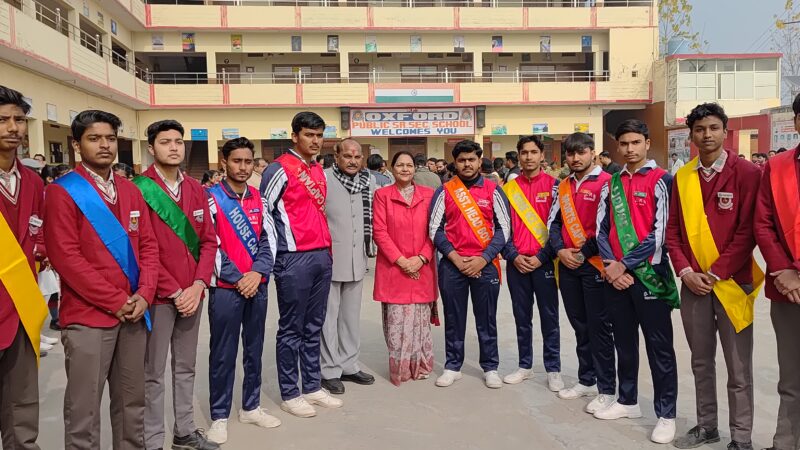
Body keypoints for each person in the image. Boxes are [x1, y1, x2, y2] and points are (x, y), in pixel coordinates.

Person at [44, 109, 159, 449]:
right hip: (89, 317)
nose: (104, 145)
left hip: (135, 313)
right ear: (77, 145)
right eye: (94, 138)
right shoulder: (62, 192)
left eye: (110, 138)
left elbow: (149, 247)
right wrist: (116, 301)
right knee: (84, 411)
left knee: (132, 405)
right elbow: (66, 258)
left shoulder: (130, 190)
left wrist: (145, 293)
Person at [667, 104, 761, 450]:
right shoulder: (683, 177)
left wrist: (715, 272)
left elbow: (749, 232)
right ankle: (707, 426)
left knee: (738, 367)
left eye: (713, 128)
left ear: (725, 131)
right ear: (691, 135)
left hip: (734, 283)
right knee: (701, 361)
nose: (706, 134)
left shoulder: (748, 173)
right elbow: (673, 232)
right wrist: (686, 272)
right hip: (694, 286)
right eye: (699, 129)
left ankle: (741, 438)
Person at [136, 120, 220, 450]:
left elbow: (209, 241)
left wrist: (198, 285)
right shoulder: (139, 190)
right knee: (153, 371)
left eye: (178, 141)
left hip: (192, 295)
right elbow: (142, 249)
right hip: (158, 296)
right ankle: (152, 440)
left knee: (186, 367)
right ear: (151, 148)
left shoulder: (196, 189)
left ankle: (184, 431)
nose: (173, 147)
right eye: (165, 142)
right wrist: (174, 290)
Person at [596, 119, 679, 444]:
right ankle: (627, 400)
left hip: (650, 277)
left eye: (635, 142)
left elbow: (661, 234)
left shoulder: (662, 180)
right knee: (624, 342)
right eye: (624, 144)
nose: (629, 149)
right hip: (615, 277)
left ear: (647, 143)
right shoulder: (612, 183)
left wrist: (623, 265)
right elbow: (601, 230)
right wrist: (610, 266)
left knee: (659, 348)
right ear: (617, 147)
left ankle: (666, 414)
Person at [261, 111, 342, 418]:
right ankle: (290, 392)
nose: (315, 141)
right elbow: (264, 214)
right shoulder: (279, 169)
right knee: (291, 328)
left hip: (321, 255)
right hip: (293, 257)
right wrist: (272, 257)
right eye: (309, 135)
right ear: (294, 136)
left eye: (319, 135)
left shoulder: (318, 170)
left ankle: (311, 385)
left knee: (314, 325)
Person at [205, 137, 278, 444]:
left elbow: (268, 240)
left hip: (256, 285)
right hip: (225, 289)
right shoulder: (210, 198)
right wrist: (238, 278)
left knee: (254, 349)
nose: (243, 167)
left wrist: (257, 273)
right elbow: (208, 245)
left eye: (248, 161)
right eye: (237, 161)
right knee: (223, 354)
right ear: (224, 162)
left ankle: (251, 406)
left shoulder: (260, 199)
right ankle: (219, 415)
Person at [428, 139, 510, 389]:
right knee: (454, 317)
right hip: (452, 265)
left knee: (487, 319)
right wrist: (454, 257)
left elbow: (504, 229)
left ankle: (490, 367)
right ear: (455, 162)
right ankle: (453, 366)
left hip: (485, 264)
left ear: (479, 161)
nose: (467, 164)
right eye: (462, 160)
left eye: (471, 159)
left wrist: (483, 259)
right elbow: (434, 229)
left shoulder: (493, 190)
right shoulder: (444, 191)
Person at [549, 133, 616, 414]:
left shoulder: (608, 182)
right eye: (570, 153)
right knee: (580, 325)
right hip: (568, 265)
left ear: (592, 153)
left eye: (581, 152)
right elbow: (553, 223)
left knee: (599, 328)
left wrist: (581, 254)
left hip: (595, 265)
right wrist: (560, 250)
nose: (575, 158)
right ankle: (586, 379)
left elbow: (607, 227)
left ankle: (607, 388)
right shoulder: (563, 185)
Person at [0, 85, 48, 450]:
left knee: (22, 402)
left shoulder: (32, 180)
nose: (13, 128)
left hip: (22, 306)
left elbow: (39, 230)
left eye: (19, 119)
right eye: (3, 119)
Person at [754, 92, 800, 450]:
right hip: (787, 289)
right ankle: (786, 442)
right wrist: (783, 269)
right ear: (796, 122)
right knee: (791, 376)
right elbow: (763, 223)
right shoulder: (778, 166)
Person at [500, 135, 562, 390]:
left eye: (533, 152)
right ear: (518, 156)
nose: (528, 157)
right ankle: (524, 365)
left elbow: (559, 228)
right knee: (521, 317)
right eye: (524, 152)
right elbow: (500, 229)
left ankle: (553, 368)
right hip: (517, 264)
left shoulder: (556, 187)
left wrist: (541, 257)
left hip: (544, 263)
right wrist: (513, 256)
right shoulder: (507, 190)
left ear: (541, 155)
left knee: (550, 318)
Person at [373, 151, 438, 385]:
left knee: (420, 321)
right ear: (392, 168)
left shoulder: (429, 195)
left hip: (422, 267)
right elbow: (379, 231)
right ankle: (400, 368)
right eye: (400, 165)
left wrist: (421, 258)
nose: (405, 169)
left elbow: (435, 230)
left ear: (414, 168)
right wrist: (402, 261)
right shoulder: (382, 195)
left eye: (409, 165)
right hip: (394, 268)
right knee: (397, 322)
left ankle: (420, 365)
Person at [320, 139, 377, 394]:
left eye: (357, 156)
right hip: (330, 259)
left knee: (351, 317)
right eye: (347, 156)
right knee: (328, 318)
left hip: (357, 258)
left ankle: (349, 365)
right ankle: (328, 370)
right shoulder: (323, 179)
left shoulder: (369, 181)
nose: (352, 161)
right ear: (336, 157)